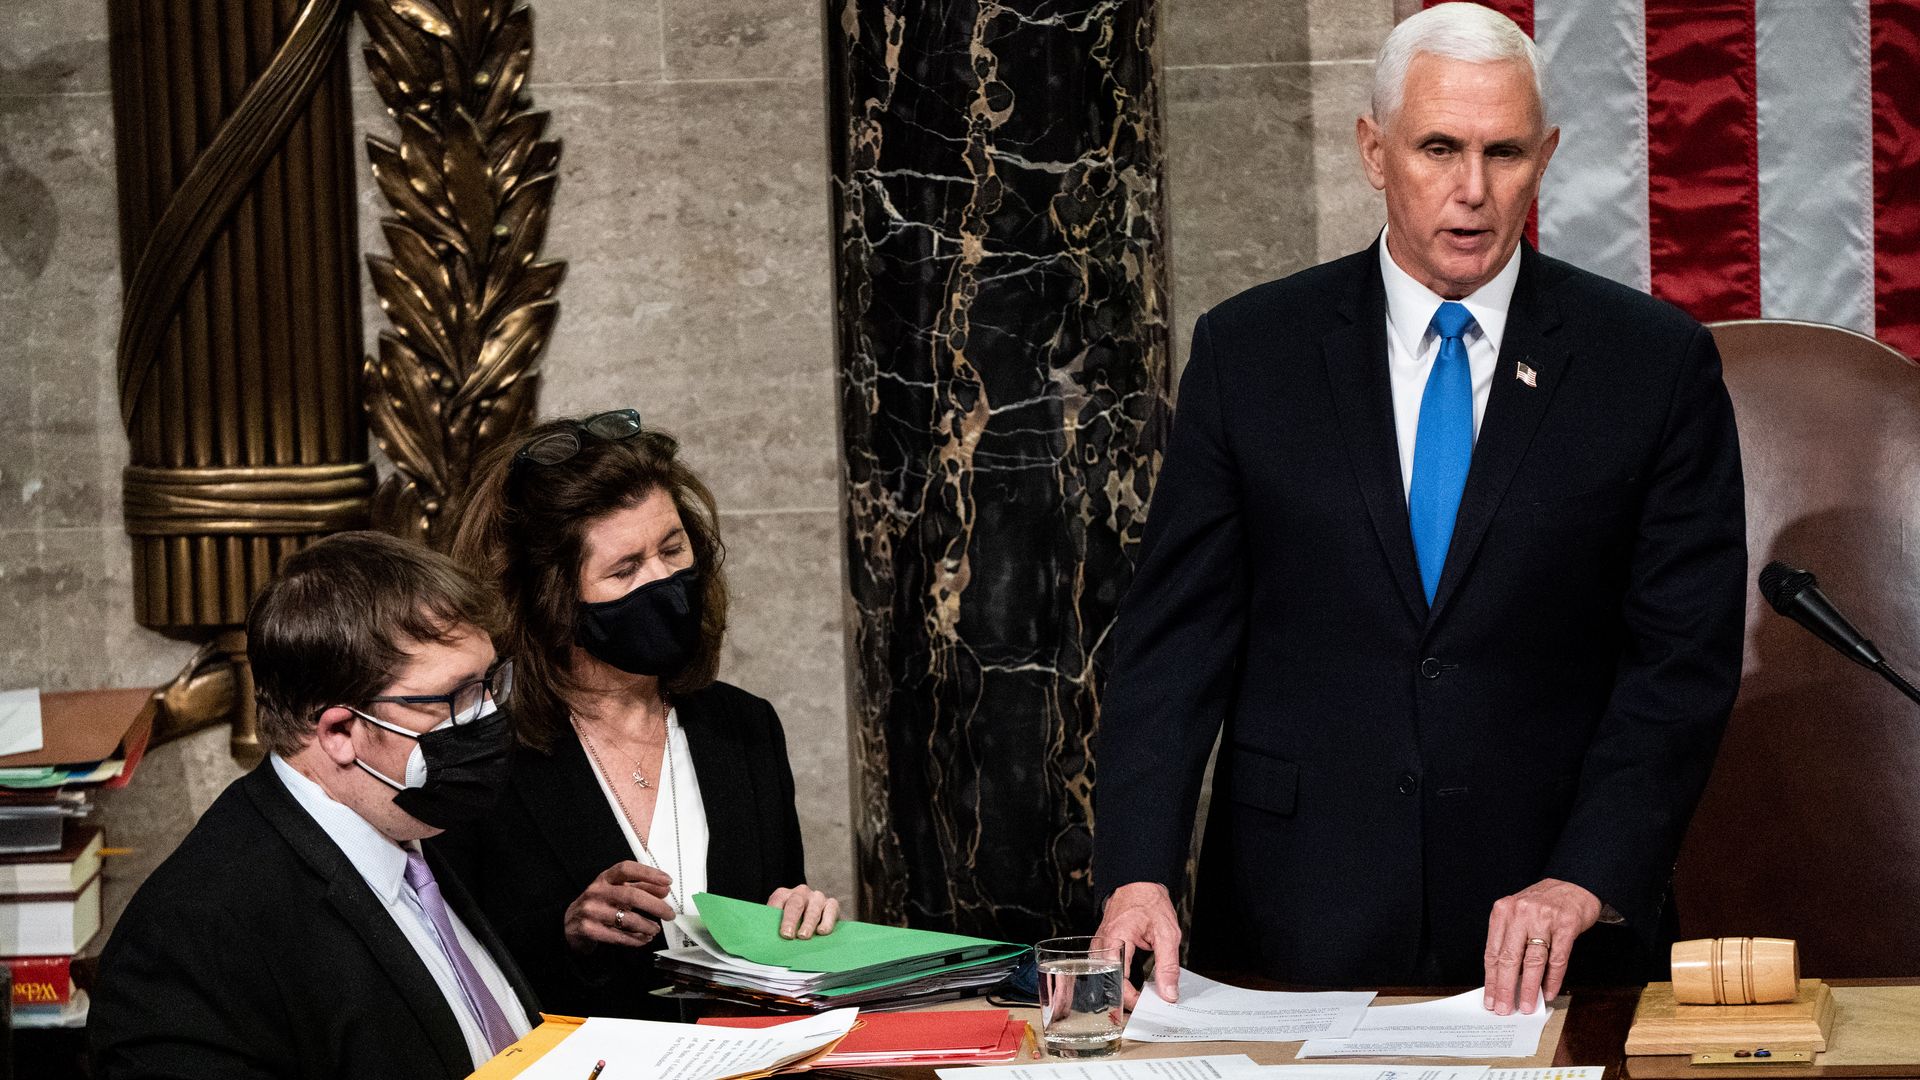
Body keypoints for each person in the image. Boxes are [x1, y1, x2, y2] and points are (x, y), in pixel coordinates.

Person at [1092, 2, 1745, 1017]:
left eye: (1505, 152)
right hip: (1293, 931)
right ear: (1373, 150)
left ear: (1549, 155)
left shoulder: (1650, 368)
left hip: (1551, 941)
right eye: (1439, 147)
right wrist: (1137, 870)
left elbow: (1681, 663)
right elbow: (1173, 646)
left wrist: (1587, 874)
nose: (1473, 192)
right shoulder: (1251, 357)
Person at [432, 409, 838, 1019]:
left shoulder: (745, 727)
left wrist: (800, 921)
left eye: (673, 549)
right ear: (552, 599)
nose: (665, 580)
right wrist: (569, 933)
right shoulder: (478, 756)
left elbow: (776, 947)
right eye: (625, 569)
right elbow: (454, 985)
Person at [90, 531, 539, 1079]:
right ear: (341, 731)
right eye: (457, 696)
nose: (489, 714)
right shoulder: (191, 938)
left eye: (492, 682)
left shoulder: (413, 822)